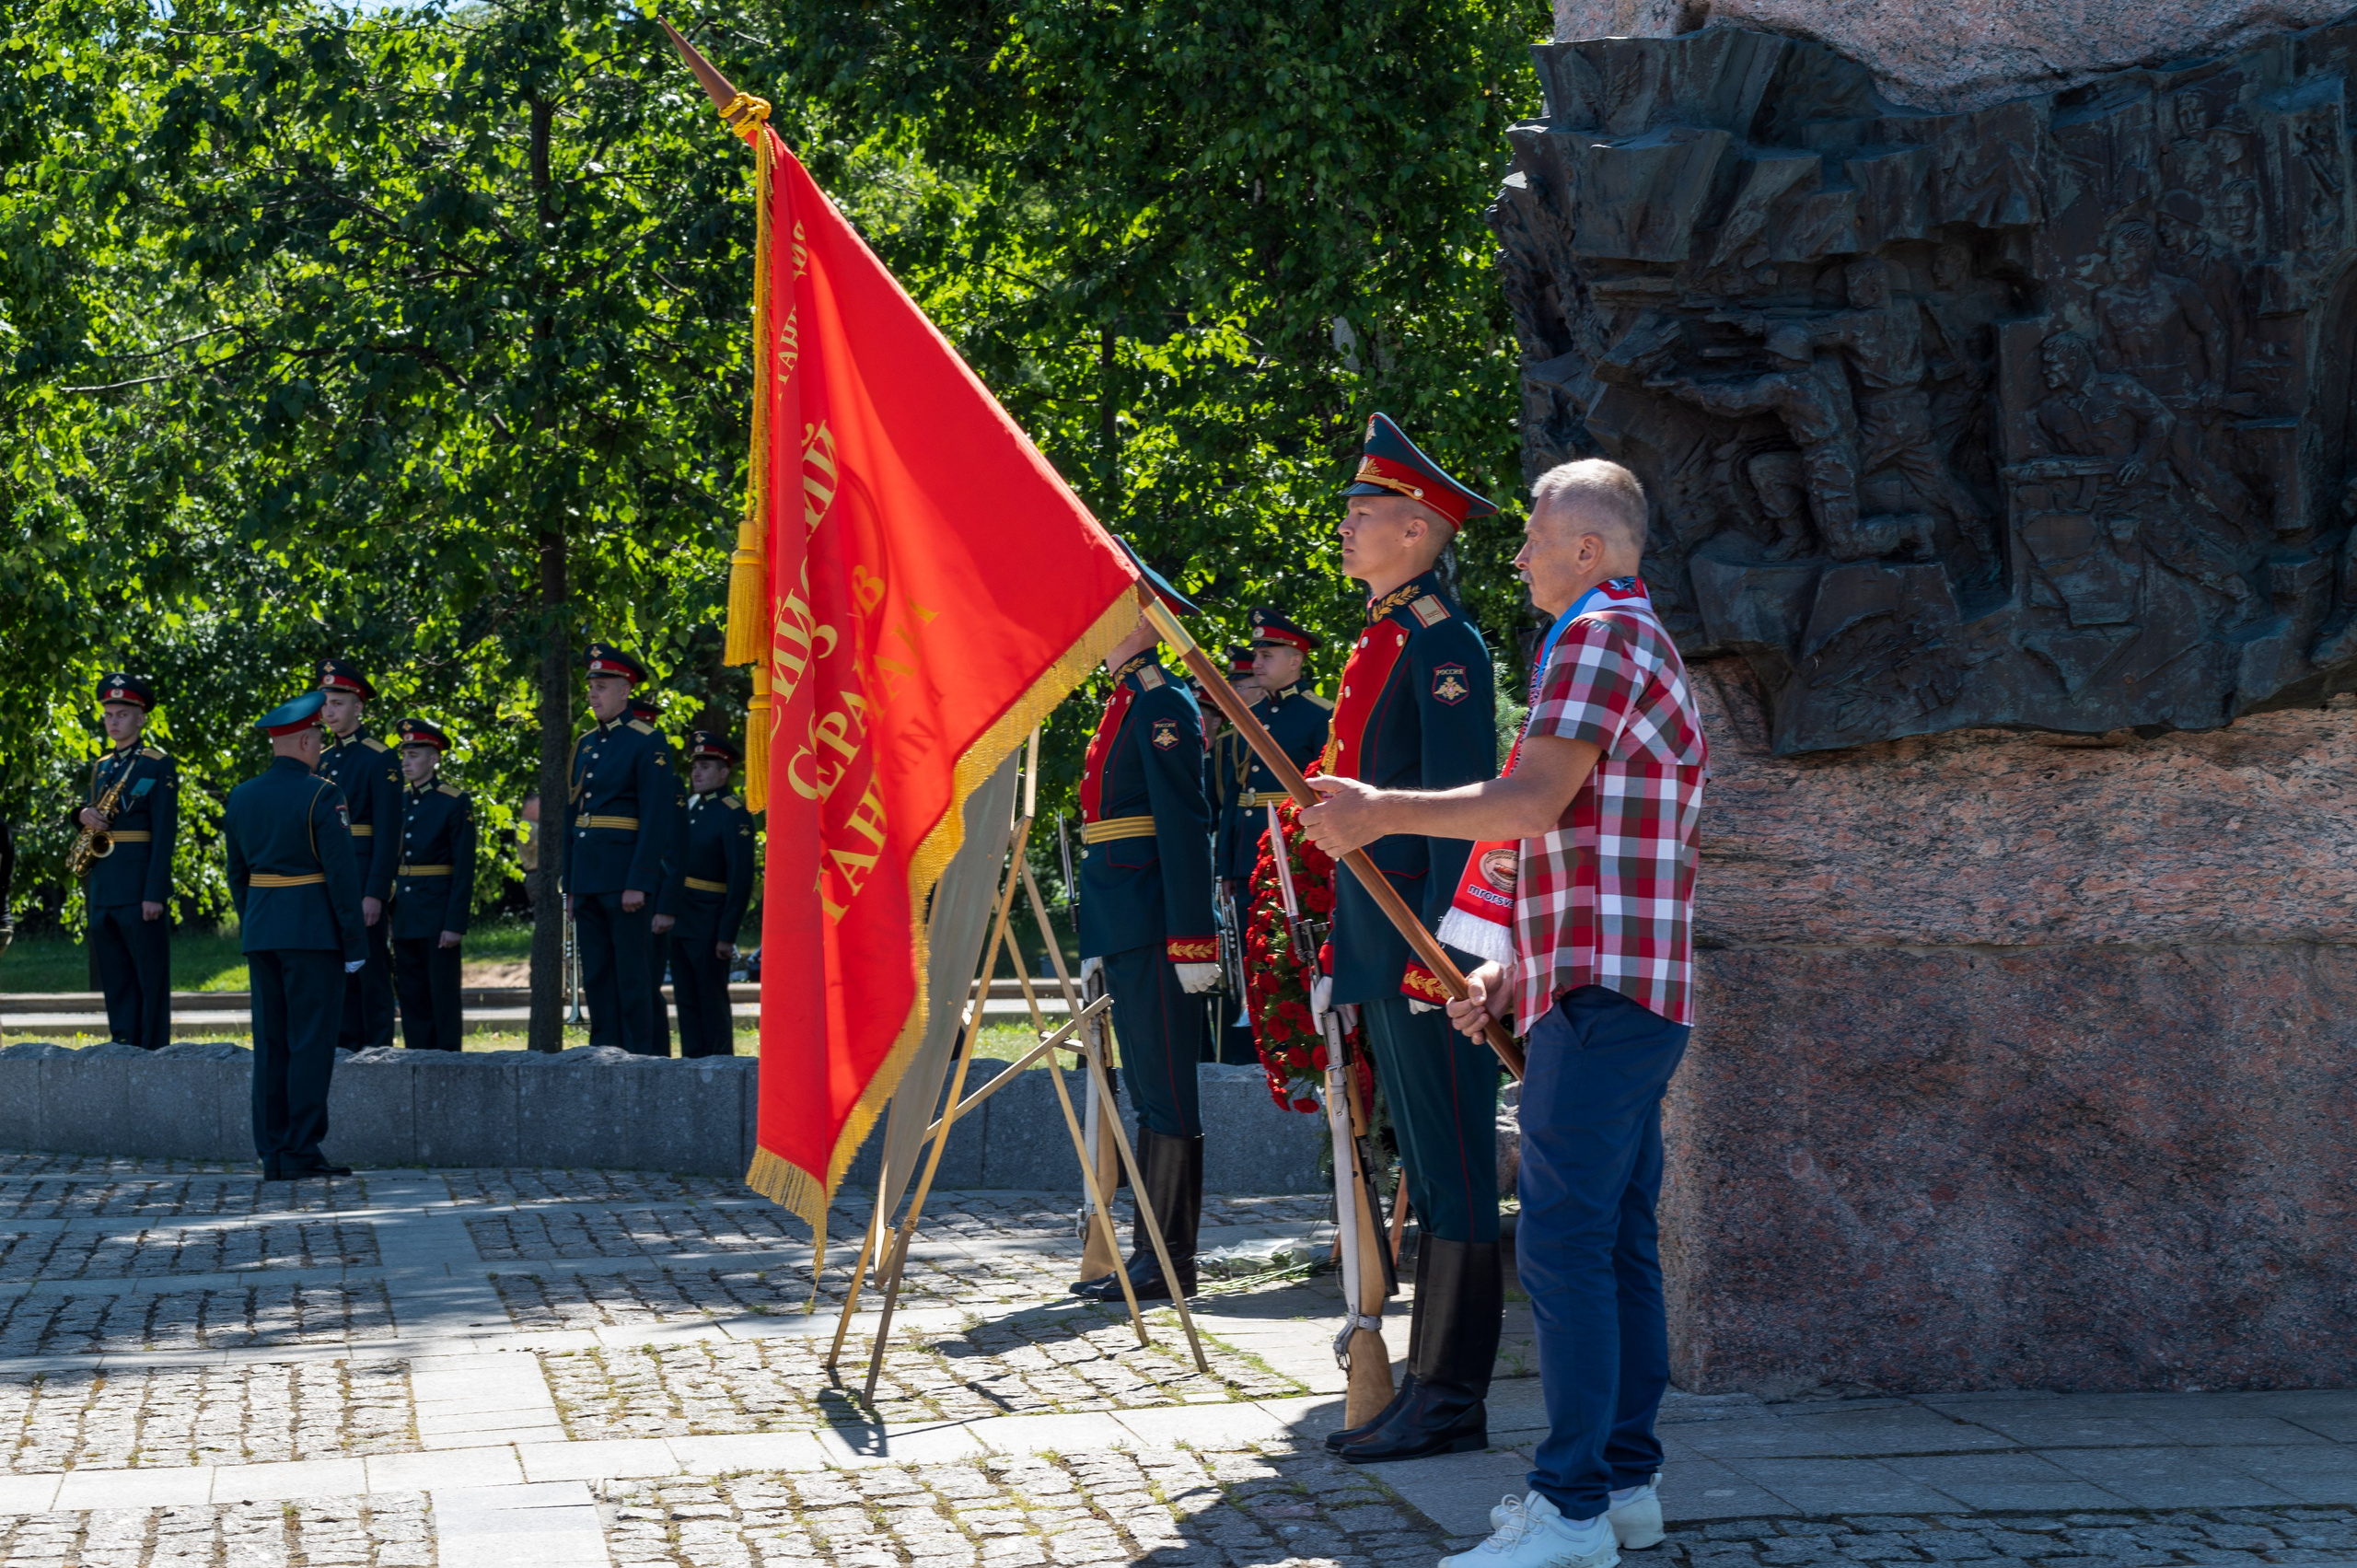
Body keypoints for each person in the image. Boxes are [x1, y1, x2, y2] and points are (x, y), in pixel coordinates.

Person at [1303, 459, 1708, 1568]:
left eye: (1535, 534)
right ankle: (1624, 1485)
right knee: (1616, 1240)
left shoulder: (1593, 635)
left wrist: (1381, 809)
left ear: (1589, 547)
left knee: (1568, 1245)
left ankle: (1570, 1509)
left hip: (1604, 991)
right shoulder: (1630, 634)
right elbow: (1581, 846)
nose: (1518, 551)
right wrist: (1512, 970)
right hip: (1617, 983)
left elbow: (1530, 802)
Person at [1302, 412, 1506, 1467]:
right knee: (1425, 1166)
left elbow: (1468, 811)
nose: (1348, 529)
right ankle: (1427, 1385)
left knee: (1457, 1168)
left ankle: (1453, 1392)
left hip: (1431, 951)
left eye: (1366, 514)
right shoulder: (1383, 637)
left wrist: (1449, 953)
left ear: (1421, 530)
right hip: (1382, 941)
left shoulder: (1444, 644)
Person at [1071, 546, 1220, 1304]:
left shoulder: (1164, 702)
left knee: (1168, 1092)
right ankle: (1151, 1253)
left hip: (1159, 924)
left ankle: (1169, 1261)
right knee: (1148, 1091)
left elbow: (1185, 825)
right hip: (1124, 920)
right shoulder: (1127, 702)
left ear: (1139, 618)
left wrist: (1195, 936)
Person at [224, 690, 369, 1180]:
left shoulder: (241, 796)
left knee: (271, 1044)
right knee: (309, 1042)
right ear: (307, 740)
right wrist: (354, 943)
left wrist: (257, 921)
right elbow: (342, 878)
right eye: (318, 741)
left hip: (263, 930)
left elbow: (237, 875)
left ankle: (274, 1152)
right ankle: (302, 1149)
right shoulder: (323, 794)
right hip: (313, 933)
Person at [561, 645, 675, 1055]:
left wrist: (639, 880)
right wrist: (570, 885)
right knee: (598, 977)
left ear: (626, 690)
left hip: (625, 878)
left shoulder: (647, 742)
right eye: (591, 686)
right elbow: (573, 818)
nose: (593, 694)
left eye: (603, 686)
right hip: (589, 878)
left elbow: (656, 819)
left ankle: (643, 1059)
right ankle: (604, 1052)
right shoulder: (586, 744)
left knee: (633, 978)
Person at [72, 673, 179, 1051]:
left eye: (122, 714)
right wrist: (81, 815)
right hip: (105, 883)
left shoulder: (157, 764)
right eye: (108, 715)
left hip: (139, 887)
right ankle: (122, 1042)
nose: (113, 721)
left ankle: (152, 1048)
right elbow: (95, 818)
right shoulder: (102, 766)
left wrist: (154, 892)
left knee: (149, 975)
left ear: (141, 718)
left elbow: (165, 834)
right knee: (115, 974)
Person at [315, 660, 402, 1051]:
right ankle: (345, 1043)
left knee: (371, 969)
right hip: (328, 877)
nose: (329, 711)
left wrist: (376, 891)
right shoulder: (322, 758)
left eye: (337, 702)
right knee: (336, 965)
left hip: (363, 874)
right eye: (325, 703)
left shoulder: (378, 757)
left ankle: (379, 1045)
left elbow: (388, 831)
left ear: (358, 706)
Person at [656, 729, 756, 1058]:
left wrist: (726, 934)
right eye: (695, 765)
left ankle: (718, 1063)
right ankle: (691, 1060)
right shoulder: (688, 808)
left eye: (706, 766)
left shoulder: (732, 814)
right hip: (682, 916)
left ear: (724, 772)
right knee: (685, 997)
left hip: (710, 920)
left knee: (710, 997)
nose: (697, 772)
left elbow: (740, 880)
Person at [389, 718, 475, 1051]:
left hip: (438, 914)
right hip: (406, 913)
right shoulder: (398, 801)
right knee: (411, 997)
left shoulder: (453, 801)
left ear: (434, 759)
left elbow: (464, 868)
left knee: (442, 996)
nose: (406, 762)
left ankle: (449, 1063)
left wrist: (455, 923)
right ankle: (417, 1059)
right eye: (404, 755)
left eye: (414, 755)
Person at [1207, 644, 1262, 1064]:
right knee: (1242, 954)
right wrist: (1226, 866)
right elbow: (1227, 808)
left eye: (1239, 681)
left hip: (1275, 857)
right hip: (1242, 861)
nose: (1235, 689)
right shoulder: (1228, 741)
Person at [631, 692, 685, 1056]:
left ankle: (657, 1056)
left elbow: (676, 850)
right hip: (629, 894)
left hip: (654, 897)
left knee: (647, 985)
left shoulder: (669, 783)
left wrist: (666, 906)